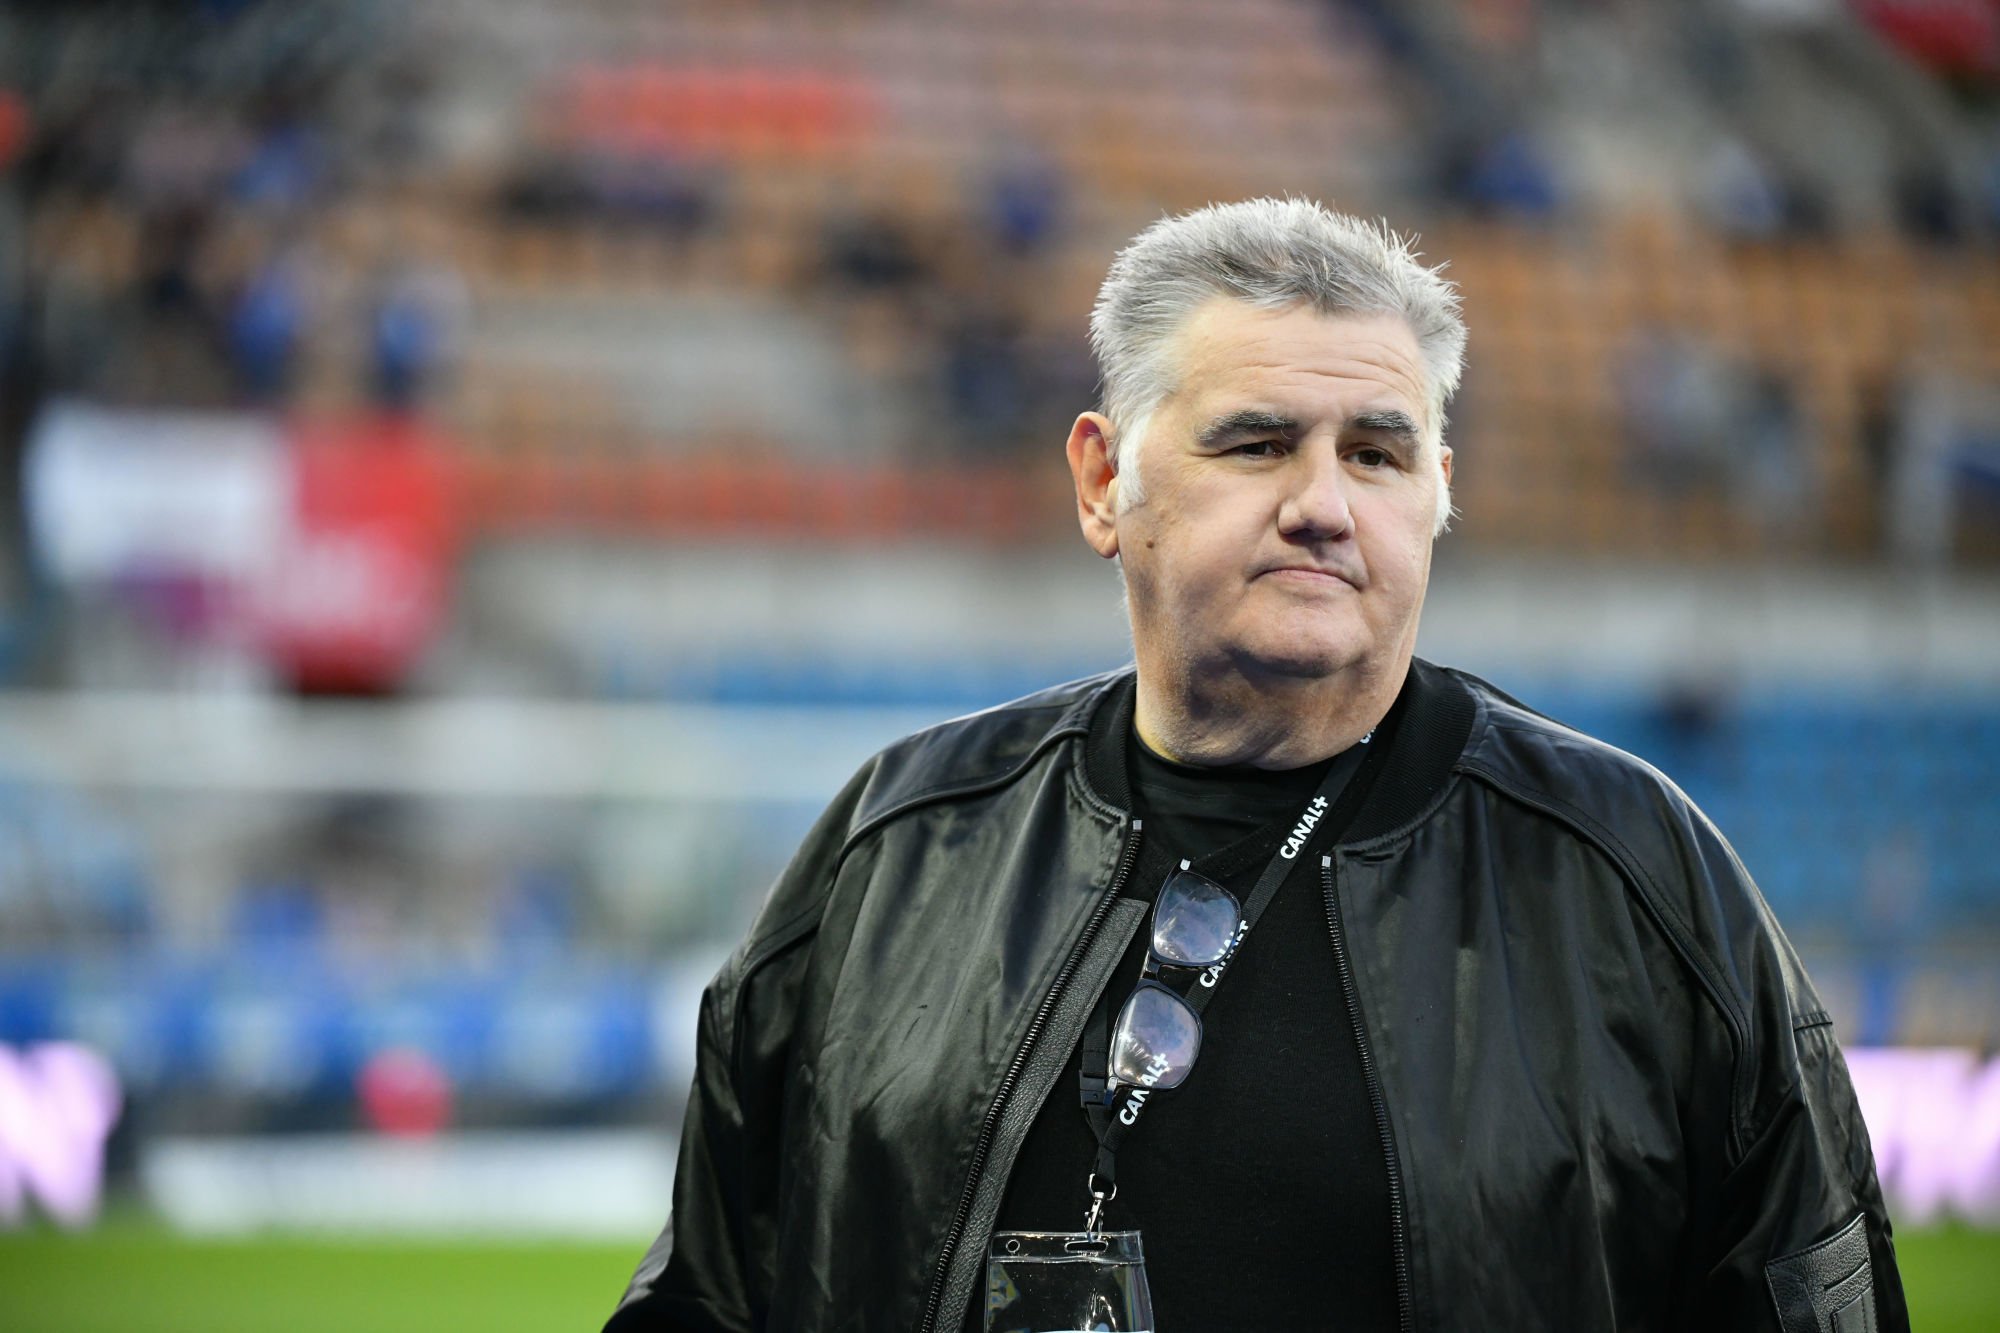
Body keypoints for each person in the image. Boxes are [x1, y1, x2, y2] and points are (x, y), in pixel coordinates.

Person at [606, 198, 1907, 1332]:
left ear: (1437, 494)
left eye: (1379, 454)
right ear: (1102, 481)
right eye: (1258, 442)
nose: (1325, 505)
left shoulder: (1632, 878)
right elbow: (712, 1292)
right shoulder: (900, 845)